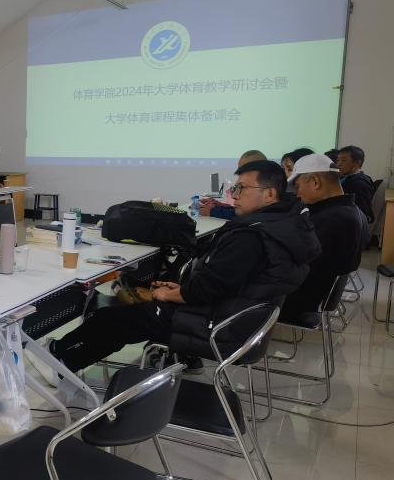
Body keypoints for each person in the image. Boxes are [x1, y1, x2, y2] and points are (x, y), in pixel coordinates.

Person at [52, 160, 320, 372]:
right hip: (236, 320)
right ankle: (62, 357)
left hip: (215, 326)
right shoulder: (284, 227)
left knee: (112, 319)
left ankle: (61, 361)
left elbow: (213, 286)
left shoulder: (252, 237)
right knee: (123, 316)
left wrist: (172, 295)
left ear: (270, 194)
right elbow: (226, 281)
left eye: (241, 189)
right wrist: (182, 289)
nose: (234, 196)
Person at [281, 154, 369, 321]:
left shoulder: (328, 221)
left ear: (315, 182)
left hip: (297, 303)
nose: (297, 194)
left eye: (297, 187)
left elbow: (293, 268)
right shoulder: (355, 212)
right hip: (317, 298)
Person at [199, 149, 266, 219]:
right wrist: (219, 205)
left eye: (243, 170)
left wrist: (212, 211)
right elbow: (241, 210)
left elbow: (244, 215)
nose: (234, 196)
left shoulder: (260, 187)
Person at [335, 145, 375, 224]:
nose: (339, 164)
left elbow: (362, 213)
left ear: (357, 163)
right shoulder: (345, 177)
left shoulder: (360, 184)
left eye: (343, 160)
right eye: (338, 160)